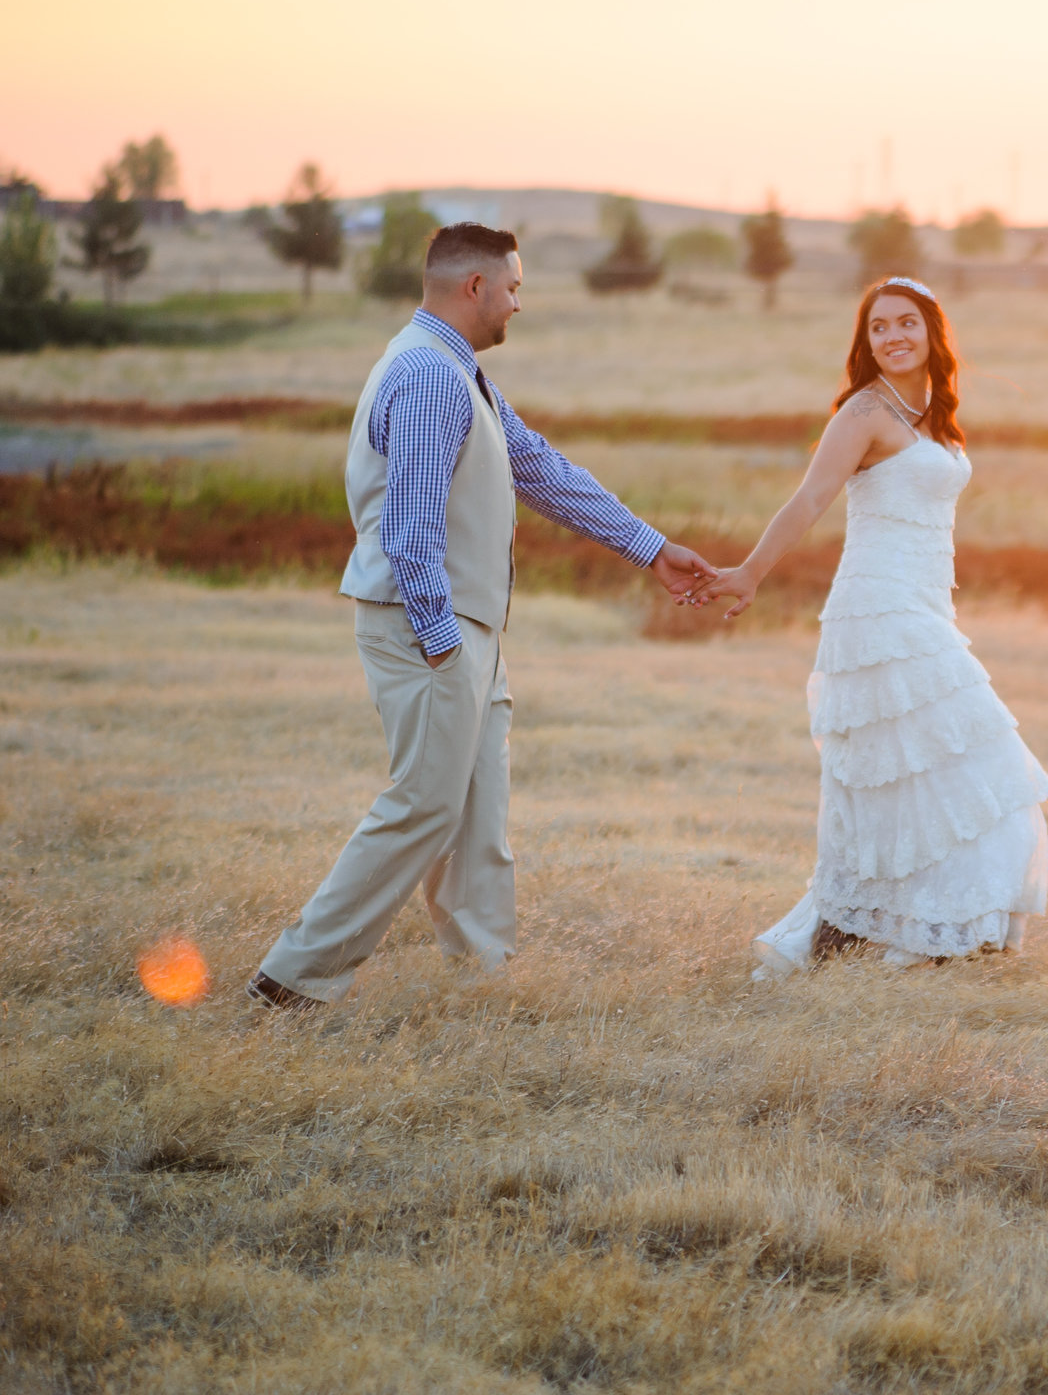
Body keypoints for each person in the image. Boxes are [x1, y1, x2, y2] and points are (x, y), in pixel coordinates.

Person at [249, 222, 717, 1008]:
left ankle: (484, 982)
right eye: (514, 287)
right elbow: (410, 529)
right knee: (425, 806)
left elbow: (541, 470)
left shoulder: (454, 371)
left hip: (469, 632)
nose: (518, 304)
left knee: (476, 817)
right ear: (475, 288)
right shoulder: (432, 376)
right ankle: (291, 979)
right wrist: (441, 645)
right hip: (431, 629)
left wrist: (651, 548)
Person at [703, 277, 1048, 975]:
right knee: (960, 768)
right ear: (865, 344)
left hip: (926, 607)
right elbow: (808, 500)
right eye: (878, 328)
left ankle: (925, 935)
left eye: (906, 323)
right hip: (879, 610)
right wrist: (748, 573)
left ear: (932, 333)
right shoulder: (865, 412)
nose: (892, 337)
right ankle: (878, 934)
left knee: (934, 777)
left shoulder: (934, 414)